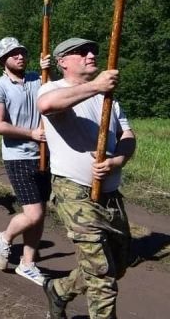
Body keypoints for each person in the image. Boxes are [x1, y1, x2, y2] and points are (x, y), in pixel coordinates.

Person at [37, 38, 135, 319]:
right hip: (74, 192)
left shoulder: (108, 99)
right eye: (81, 52)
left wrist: (118, 160)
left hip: (110, 194)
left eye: (93, 51)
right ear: (63, 62)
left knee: (119, 264)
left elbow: (127, 136)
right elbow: (47, 106)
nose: (91, 55)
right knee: (103, 280)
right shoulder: (53, 88)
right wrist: (96, 86)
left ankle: (59, 289)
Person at [0, 37, 51, 286]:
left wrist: (48, 70)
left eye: (22, 52)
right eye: (14, 54)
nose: (20, 57)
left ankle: (28, 264)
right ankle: (4, 237)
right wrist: (31, 134)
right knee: (33, 213)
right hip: (18, 157)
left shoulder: (38, 79)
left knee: (40, 213)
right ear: (3, 61)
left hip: (44, 155)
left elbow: (54, 97)